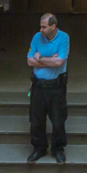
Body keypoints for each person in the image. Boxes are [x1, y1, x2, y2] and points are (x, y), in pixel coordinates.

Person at [25, 11, 68, 163]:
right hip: (38, 85)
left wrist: (40, 58)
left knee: (58, 120)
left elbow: (59, 62)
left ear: (53, 26)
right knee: (36, 120)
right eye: (40, 27)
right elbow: (30, 61)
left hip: (56, 87)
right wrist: (50, 59)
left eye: (44, 27)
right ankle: (39, 148)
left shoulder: (63, 38)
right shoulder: (37, 37)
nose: (41, 30)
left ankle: (58, 149)